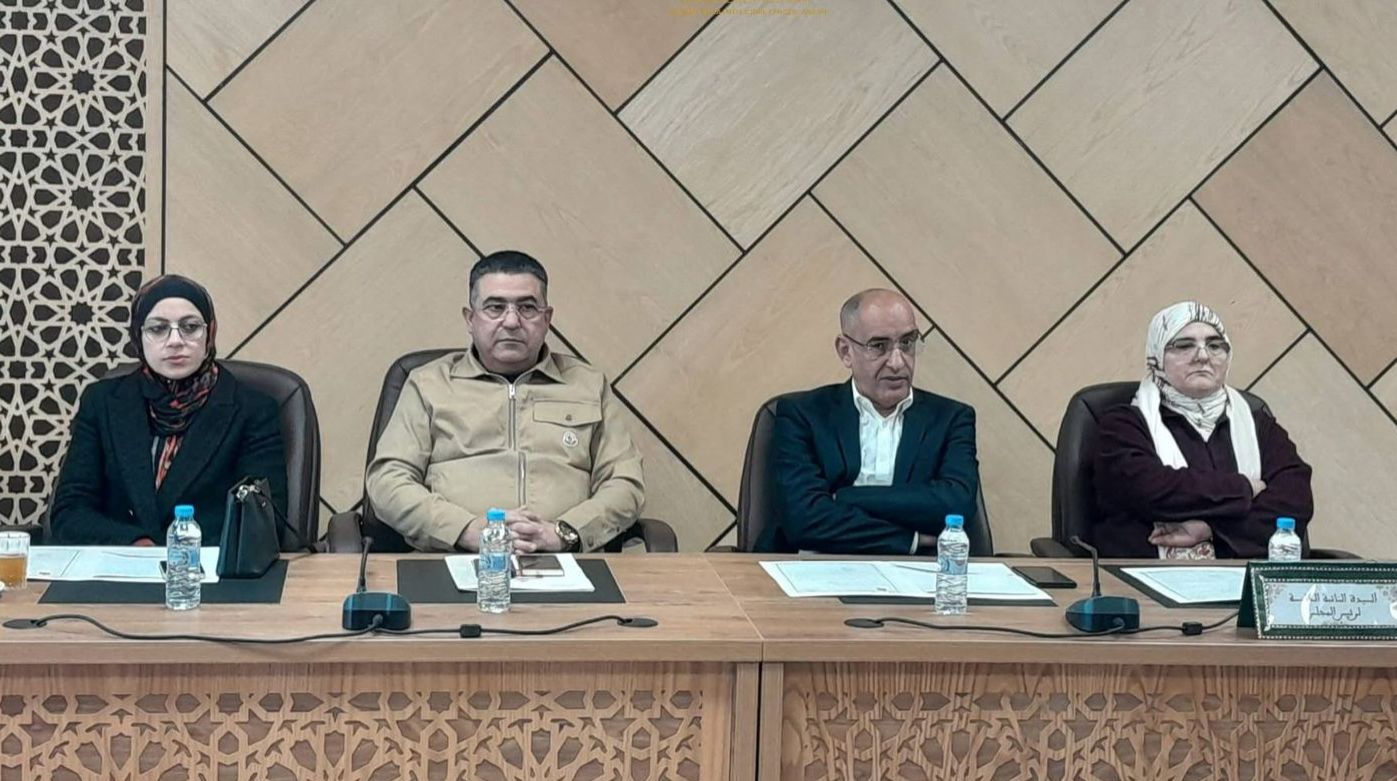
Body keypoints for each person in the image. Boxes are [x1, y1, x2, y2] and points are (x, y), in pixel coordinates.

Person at [366, 250, 644, 553]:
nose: (511, 321)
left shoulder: (588, 385)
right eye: (495, 307)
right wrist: (465, 530)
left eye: (527, 308)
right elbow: (388, 481)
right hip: (453, 559)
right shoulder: (428, 384)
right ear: (470, 319)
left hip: (566, 561)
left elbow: (625, 483)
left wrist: (564, 533)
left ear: (547, 319)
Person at [49, 275, 288, 545]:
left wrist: (178, 551)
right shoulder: (102, 402)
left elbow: (261, 520)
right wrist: (136, 544)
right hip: (119, 564)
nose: (175, 340)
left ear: (210, 332)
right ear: (138, 335)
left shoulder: (252, 411)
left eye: (190, 327)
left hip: (209, 568)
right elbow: (69, 513)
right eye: (158, 328)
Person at [756, 289, 980, 555]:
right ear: (845, 351)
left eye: (907, 343)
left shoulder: (951, 419)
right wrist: (912, 539)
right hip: (813, 567)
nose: (897, 362)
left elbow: (957, 506)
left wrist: (845, 497)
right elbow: (804, 521)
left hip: (916, 573)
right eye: (879, 346)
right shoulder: (803, 414)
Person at [1091, 301, 1313, 558]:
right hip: (1142, 576)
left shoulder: (1258, 426)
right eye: (1184, 345)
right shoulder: (1122, 425)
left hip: (1244, 576)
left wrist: (1211, 530)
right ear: (1157, 357)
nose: (1203, 356)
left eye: (1215, 345)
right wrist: (1244, 489)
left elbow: (1294, 500)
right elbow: (1151, 490)